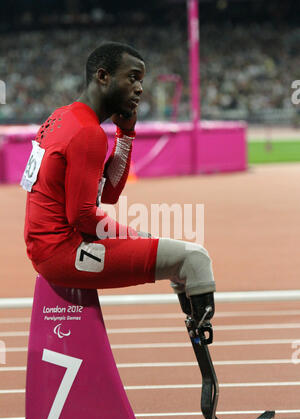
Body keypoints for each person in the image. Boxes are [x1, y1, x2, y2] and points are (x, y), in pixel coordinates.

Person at [21, 41, 216, 327]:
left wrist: (125, 134)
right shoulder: (86, 133)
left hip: (47, 246)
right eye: (133, 77)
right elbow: (83, 215)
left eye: (141, 81)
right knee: (195, 259)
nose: (139, 88)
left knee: (163, 247)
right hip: (63, 253)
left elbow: (109, 193)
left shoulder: (62, 117)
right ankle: (207, 364)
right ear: (103, 77)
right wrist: (135, 236)